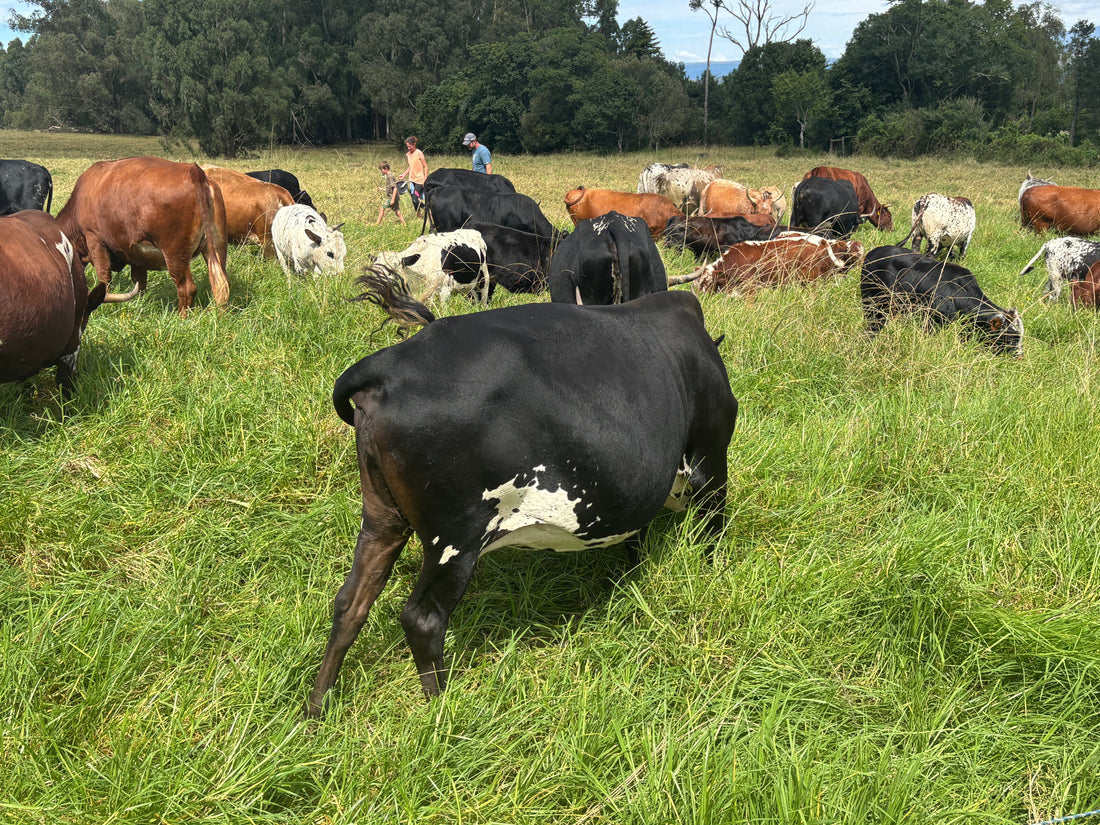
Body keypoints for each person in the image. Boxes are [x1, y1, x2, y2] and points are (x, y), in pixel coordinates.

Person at [397, 135, 428, 212]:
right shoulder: (408, 155)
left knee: (415, 199)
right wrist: (404, 174)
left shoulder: (419, 153)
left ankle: (427, 210)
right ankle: (418, 214)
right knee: (413, 200)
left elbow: (426, 166)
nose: (409, 148)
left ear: (414, 144)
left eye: (410, 146)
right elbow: (410, 167)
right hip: (411, 180)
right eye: (407, 146)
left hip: (419, 180)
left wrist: (425, 179)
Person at [374, 162, 406, 226]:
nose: (382, 171)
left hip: (392, 198)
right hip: (394, 197)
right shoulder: (389, 176)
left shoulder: (390, 176)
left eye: (382, 170)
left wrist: (392, 200)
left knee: (382, 208)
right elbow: (390, 189)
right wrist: (381, 189)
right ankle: (404, 224)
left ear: (386, 168)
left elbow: (395, 188)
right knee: (397, 211)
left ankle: (377, 224)